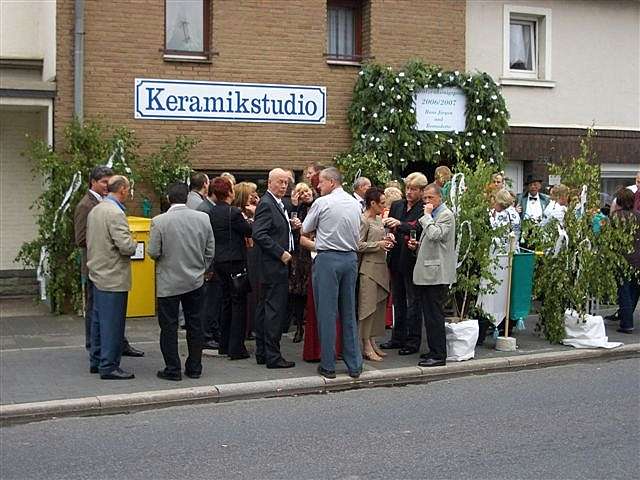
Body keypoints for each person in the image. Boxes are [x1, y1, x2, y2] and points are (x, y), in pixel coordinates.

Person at [74, 166, 144, 357]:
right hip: (101, 266)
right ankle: (99, 351)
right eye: (104, 182)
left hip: (101, 265)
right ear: (93, 182)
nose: (107, 186)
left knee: (105, 315)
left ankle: (111, 348)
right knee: (101, 314)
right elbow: (81, 238)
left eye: (109, 182)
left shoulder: (104, 206)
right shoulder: (86, 206)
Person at [149, 183, 215, 380]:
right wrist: (202, 268)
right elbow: (210, 249)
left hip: (168, 282)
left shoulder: (159, 221)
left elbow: (153, 251)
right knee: (195, 324)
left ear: (169, 198)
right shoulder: (203, 218)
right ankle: (195, 367)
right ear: (187, 197)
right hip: (195, 280)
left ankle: (173, 369)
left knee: (168, 327)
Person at [302, 167, 363, 379]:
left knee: (327, 313)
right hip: (350, 258)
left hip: (328, 257)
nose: (318, 186)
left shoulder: (322, 202)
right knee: (348, 311)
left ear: (331, 182)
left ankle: (328, 365)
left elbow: (305, 228)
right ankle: (354, 364)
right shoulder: (355, 204)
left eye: (320, 183)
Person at [86, 175, 137, 380]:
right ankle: (109, 366)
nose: (129, 193)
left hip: (98, 271)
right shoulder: (115, 213)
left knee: (98, 321)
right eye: (128, 189)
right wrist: (134, 243)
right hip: (113, 275)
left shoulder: (96, 209)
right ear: (122, 189)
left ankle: (97, 360)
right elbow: (126, 246)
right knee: (113, 324)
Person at [252, 168, 300, 369]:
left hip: (271, 266)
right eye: (280, 182)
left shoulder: (276, 203)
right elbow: (259, 234)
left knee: (265, 309)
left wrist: (290, 226)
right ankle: (273, 355)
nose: (283, 186)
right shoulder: (267, 203)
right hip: (273, 265)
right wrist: (281, 252)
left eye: (286, 183)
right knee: (273, 311)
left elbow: (271, 229)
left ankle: (263, 352)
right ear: (269, 183)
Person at [408, 183, 457, 367]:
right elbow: (434, 243)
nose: (427, 201)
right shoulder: (434, 215)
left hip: (437, 273)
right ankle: (433, 349)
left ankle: (439, 355)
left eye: (431, 198)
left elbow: (436, 235)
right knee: (428, 313)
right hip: (429, 271)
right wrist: (418, 246)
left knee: (435, 314)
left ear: (440, 198)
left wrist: (427, 216)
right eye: (425, 198)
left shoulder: (446, 215)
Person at [380, 172, 428, 355]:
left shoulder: (424, 208)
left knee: (413, 301)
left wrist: (399, 224)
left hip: (412, 259)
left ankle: (412, 341)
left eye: (413, 189)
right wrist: (390, 234)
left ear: (422, 191)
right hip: (396, 257)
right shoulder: (398, 205)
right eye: (407, 188)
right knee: (397, 300)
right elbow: (391, 228)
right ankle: (397, 337)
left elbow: (417, 226)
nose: (409, 192)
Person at [207, 177, 253, 360]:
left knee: (225, 301)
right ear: (229, 193)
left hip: (219, 260)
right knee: (239, 303)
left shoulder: (211, 212)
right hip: (235, 261)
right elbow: (248, 231)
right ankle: (236, 348)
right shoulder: (233, 213)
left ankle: (224, 344)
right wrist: (252, 218)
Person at [357, 187, 392, 361]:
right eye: (382, 203)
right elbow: (357, 245)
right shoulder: (364, 220)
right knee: (367, 307)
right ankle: (365, 345)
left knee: (378, 307)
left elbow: (380, 240)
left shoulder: (379, 219)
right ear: (373, 203)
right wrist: (377, 244)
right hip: (368, 269)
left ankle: (372, 340)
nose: (385, 206)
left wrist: (388, 240)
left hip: (381, 266)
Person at [287, 182, 314, 343]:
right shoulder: (297, 209)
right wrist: (295, 206)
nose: (305, 194)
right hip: (298, 253)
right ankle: (299, 327)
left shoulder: (318, 204)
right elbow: (290, 227)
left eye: (306, 191)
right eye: (301, 192)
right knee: (297, 292)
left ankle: (309, 326)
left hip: (313, 251)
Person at [233, 181, 259, 340]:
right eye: (252, 194)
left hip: (253, 256)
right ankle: (248, 328)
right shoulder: (239, 215)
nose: (255, 197)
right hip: (247, 256)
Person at [611, 188, 640, 334]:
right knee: (634, 290)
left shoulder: (616, 217)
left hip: (622, 258)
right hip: (638, 259)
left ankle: (626, 323)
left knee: (624, 291)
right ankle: (627, 318)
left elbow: (610, 238)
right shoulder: (638, 216)